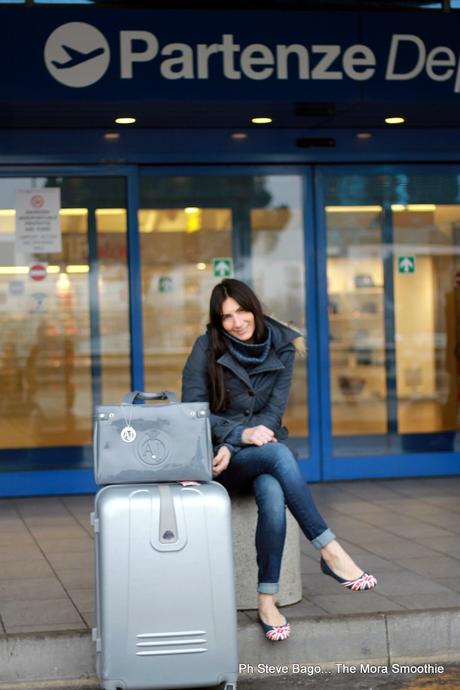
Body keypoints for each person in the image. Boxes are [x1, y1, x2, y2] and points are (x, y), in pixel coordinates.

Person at [182, 279, 377, 643]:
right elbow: (191, 412)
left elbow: (273, 414)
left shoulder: (282, 346)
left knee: (272, 491)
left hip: (251, 451)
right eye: (226, 317)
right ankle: (330, 551)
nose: (237, 322)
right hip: (218, 462)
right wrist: (236, 437)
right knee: (278, 454)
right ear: (217, 321)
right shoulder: (205, 348)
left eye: (242, 311)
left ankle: (267, 601)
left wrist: (240, 442)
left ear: (255, 308)